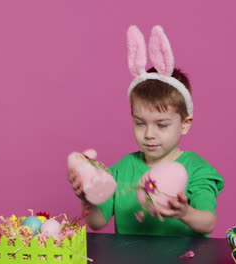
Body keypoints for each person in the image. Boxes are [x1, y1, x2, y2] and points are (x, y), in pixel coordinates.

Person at [68, 25, 224, 237]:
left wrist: (185, 212)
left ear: (185, 124)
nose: (149, 134)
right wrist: (87, 197)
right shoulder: (122, 169)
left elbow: (208, 222)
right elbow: (97, 223)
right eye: (140, 123)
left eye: (161, 125)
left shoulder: (197, 170)